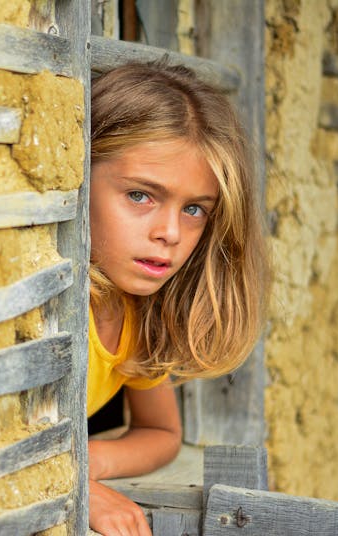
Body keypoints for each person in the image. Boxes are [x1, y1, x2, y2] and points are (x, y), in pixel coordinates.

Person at [86, 60, 269, 536]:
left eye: (193, 209)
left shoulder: (133, 310)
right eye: (141, 195)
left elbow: (163, 433)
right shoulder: (47, 310)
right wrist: (64, 476)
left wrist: (83, 461)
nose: (170, 233)